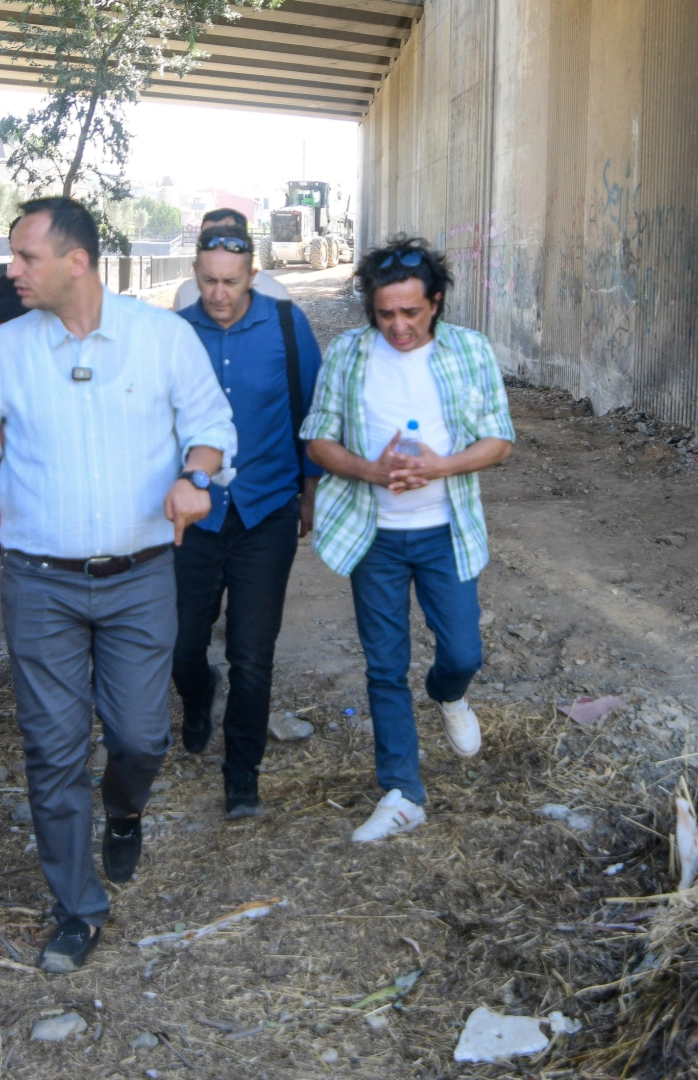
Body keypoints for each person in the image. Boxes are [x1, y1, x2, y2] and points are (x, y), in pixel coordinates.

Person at [0, 198, 236, 973]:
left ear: (76, 261)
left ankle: (124, 811)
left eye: (25, 257)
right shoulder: (5, 348)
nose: (11, 271)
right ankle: (76, 906)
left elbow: (212, 425)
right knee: (52, 750)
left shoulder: (161, 338)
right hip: (39, 583)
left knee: (139, 737)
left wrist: (197, 477)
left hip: (139, 576)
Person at [300, 237, 513, 843]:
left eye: (410, 313)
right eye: (385, 313)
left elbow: (499, 441)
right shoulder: (347, 353)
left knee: (464, 652)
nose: (397, 325)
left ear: (436, 302)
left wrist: (436, 467)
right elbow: (317, 440)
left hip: (446, 532)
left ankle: (449, 695)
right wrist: (375, 471)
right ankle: (402, 792)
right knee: (384, 664)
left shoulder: (469, 351)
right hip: (376, 538)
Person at [173, 224, 323, 818]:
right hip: (197, 519)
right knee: (183, 642)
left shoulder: (288, 328)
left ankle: (242, 775)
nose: (218, 293)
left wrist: (308, 495)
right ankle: (197, 691)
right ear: (195, 275)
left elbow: (311, 415)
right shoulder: (176, 335)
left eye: (230, 281)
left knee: (252, 653)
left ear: (253, 276)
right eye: (207, 280)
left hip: (266, 512)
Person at [173, 208, 292, 311]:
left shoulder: (275, 292)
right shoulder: (185, 293)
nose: (218, 247)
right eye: (208, 239)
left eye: (228, 237)